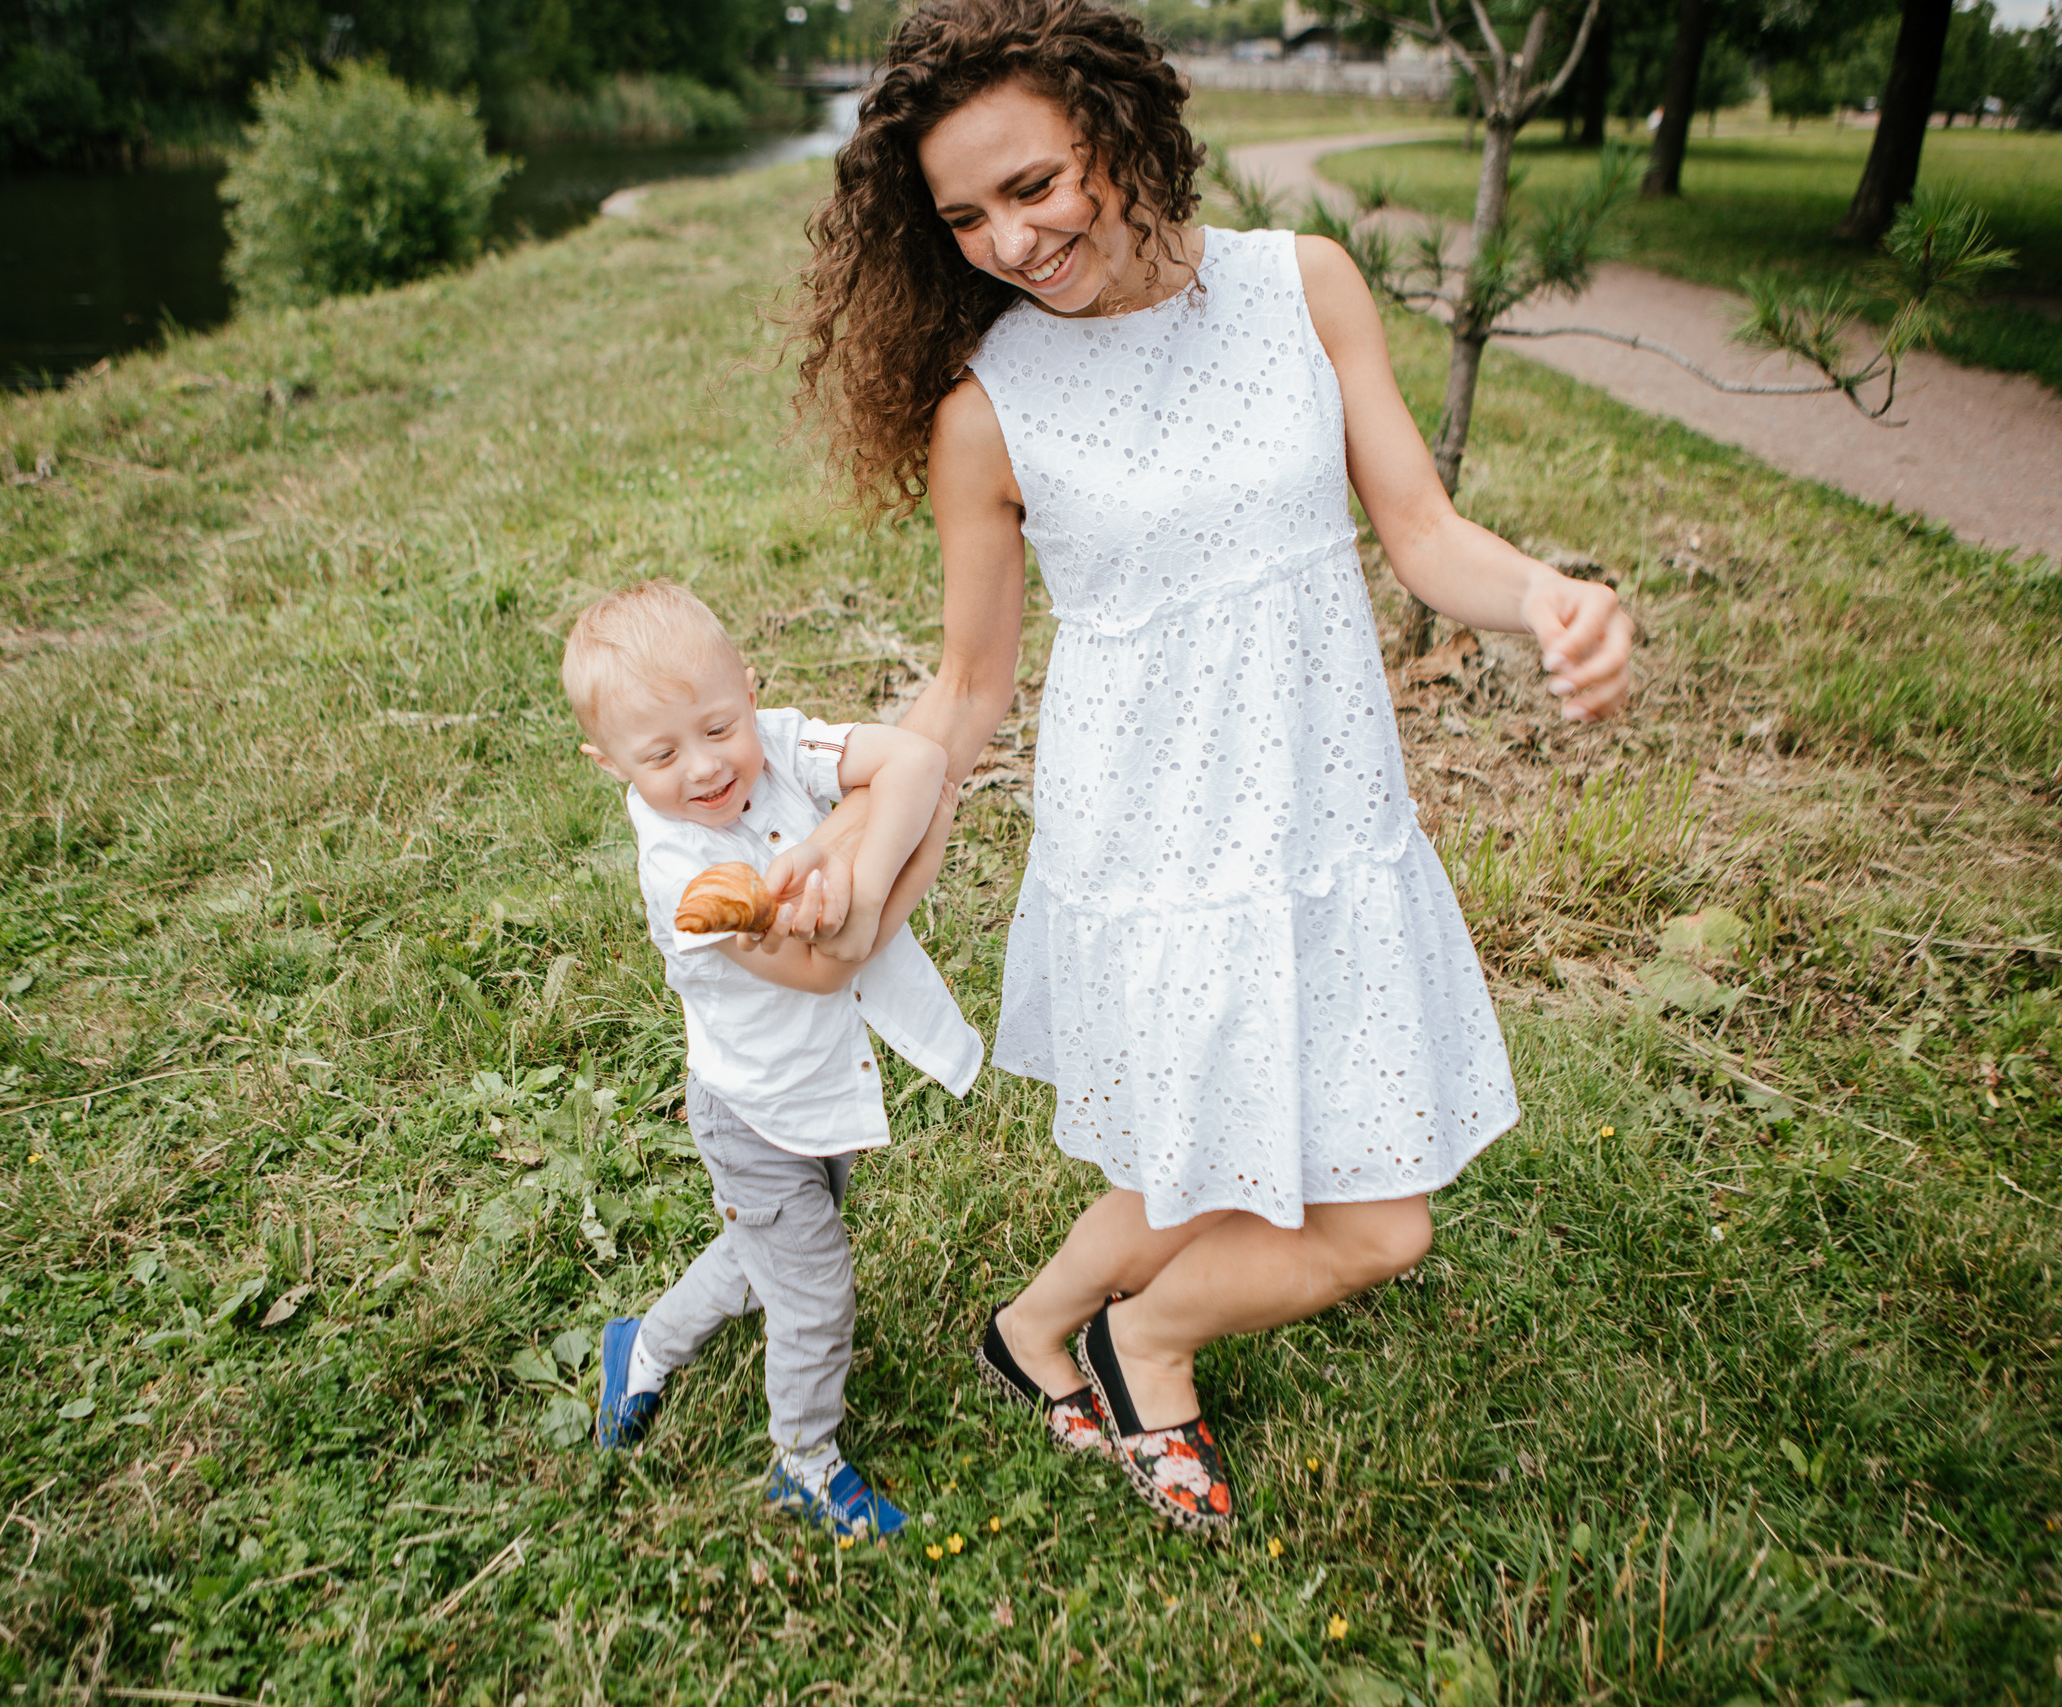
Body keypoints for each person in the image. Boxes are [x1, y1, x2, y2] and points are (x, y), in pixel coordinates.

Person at [773, 0, 1634, 1530]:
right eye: (964, 216)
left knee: (1287, 1171)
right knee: (1315, 1187)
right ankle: (1138, 1340)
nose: (1011, 241)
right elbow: (970, 685)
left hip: (1323, 814)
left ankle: (1065, 1328)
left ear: (1118, 129)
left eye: (1034, 187)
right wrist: (870, 829)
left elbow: (1425, 538)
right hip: (1151, 847)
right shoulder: (990, 408)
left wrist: (1547, 598)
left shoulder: (1301, 286)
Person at [562, 580, 979, 1540]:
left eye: (719, 726)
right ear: (609, 763)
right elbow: (825, 972)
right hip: (752, 1112)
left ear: (750, 690)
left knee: (769, 1258)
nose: (705, 767)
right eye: (661, 754)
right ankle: (804, 1458)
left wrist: (863, 883)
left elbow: (918, 758)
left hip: (814, 1090)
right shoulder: (685, 876)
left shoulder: (780, 738)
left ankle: (645, 1347)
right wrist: (900, 842)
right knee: (816, 1289)